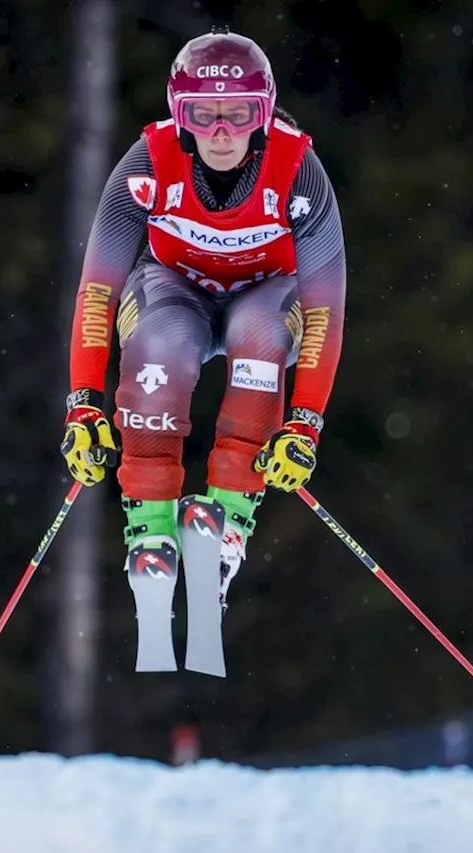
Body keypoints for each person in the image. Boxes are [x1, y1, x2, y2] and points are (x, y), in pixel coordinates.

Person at [61, 26, 347, 614]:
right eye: (203, 114)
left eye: (239, 115)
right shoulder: (146, 164)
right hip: (175, 293)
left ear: (263, 115)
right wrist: (84, 403)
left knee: (261, 336)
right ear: (179, 115)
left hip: (268, 296)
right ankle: (150, 525)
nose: (221, 133)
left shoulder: (299, 171)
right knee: (160, 344)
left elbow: (324, 312)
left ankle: (228, 522)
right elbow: (97, 293)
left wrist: (304, 426)